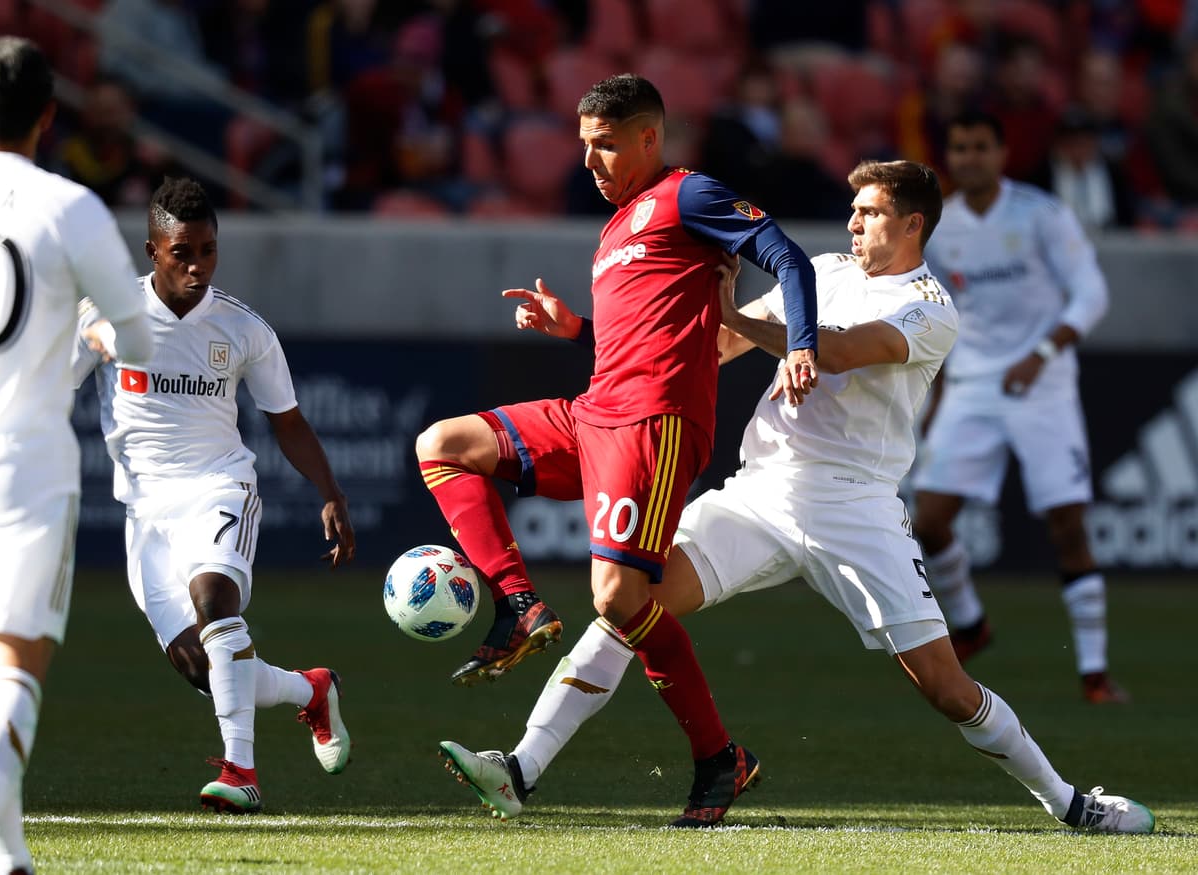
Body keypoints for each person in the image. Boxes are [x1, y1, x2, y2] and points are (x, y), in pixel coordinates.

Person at [436, 160, 1155, 835]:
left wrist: (752, 324)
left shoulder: (931, 307)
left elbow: (837, 350)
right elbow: (711, 347)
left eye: (871, 212)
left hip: (855, 507)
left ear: (913, 226)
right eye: (852, 209)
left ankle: (1070, 803)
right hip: (760, 491)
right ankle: (521, 768)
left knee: (944, 685)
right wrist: (581, 331)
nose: (853, 223)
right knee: (629, 604)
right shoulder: (823, 272)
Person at [415, 73, 818, 822]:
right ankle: (521, 606)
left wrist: (800, 345)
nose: (591, 161)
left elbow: (787, 256)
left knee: (620, 598)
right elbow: (641, 332)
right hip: (592, 413)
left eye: (605, 144)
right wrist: (575, 331)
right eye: (584, 146)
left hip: (655, 425)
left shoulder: (688, 196)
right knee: (443, 444)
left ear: (648, 138)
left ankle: (717, 758)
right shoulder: (616, 226)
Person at [0, 37, 155, 875]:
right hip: (26, 465)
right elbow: (134, 331)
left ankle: (7, 855)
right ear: (49, 119)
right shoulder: (68, 208)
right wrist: (90, 323)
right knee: (17, 669)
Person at [72, 177, 356, 814]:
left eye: (208, 250)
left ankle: (240, 772)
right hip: (144, 512)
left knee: (215, 601)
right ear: (153, 250)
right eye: (183, 253)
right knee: (204, 669)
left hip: (218, 484)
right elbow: (47, 385)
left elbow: (286, 419)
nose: (198, 266)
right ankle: (311, 690)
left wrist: (330, 491)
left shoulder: (242, 328)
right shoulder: (108, 318)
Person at [911, 111, 1126, 705]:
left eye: (981, 147)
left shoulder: (1041, 215)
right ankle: (973, 623)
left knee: (1068, 525)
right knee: (929, 519)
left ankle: (1094, 673)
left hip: (1044, 382)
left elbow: (1092, 292)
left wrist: (1043, 352)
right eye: (959, 148)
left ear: (1002, 154)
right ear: (948, 157)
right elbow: (944, 316)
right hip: (976, 382)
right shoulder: (940, 225)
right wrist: (938, 391)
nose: (970, 158)